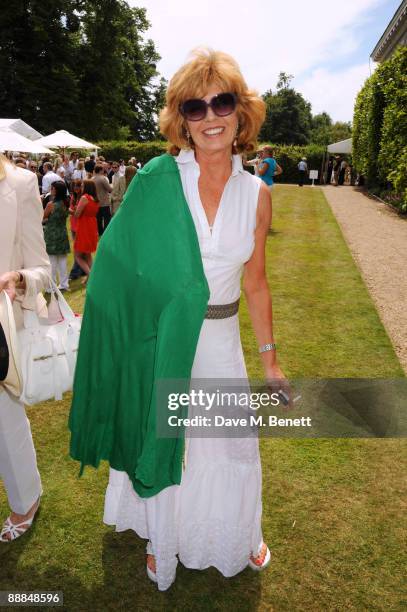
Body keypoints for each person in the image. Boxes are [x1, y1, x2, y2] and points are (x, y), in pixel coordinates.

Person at [69, 48, 288, 591]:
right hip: (164, 342)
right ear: (180, 120)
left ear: (241, 114)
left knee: (227, 445)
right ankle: (162, 541)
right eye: (195, 106)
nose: (210, 116)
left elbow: (255, 282)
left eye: (222, 102)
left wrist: (272, 360)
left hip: (221, 344)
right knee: (166, 437)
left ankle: (233, 534)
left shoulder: (256, 194)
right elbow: (119, 268)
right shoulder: (156, 179)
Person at [0, 154, 51, 541]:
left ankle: (25, 500)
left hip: (2, 326)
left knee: (5, 419)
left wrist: (18, 277)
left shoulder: (18, 184)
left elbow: (42, 270)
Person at [43, 180, 70, 291]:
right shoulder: (65, 202)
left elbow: (44, 218)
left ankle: (51, 286)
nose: (51, 190)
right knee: (62, 260)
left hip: (52, 234)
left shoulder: (51, 205)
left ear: (57, 190)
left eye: (53, 188)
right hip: (62, 233)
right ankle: (64, 284)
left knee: (52, 261)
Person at [73, 179, 99, 283]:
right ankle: (91, 276)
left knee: (78, 255)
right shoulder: (95, 199)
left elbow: (77, 214)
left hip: (84, 226)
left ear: (87, 187)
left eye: (83, 186)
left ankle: (91, 276)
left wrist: (73, 210)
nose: (81, 188)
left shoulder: (84, 198)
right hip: (92, 226)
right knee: (87, 254)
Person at [68, 180, 86, 280]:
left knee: (78, 250)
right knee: (79, 249)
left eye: (78, 186)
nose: (76, 188)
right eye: (74, 186)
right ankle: (82, 270)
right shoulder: (73, 197)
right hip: (74, 225)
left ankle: (75, 271)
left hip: (80, 226)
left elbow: (77, 212)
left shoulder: (83, 198)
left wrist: (70, 210)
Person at [93, 164, 112, 235]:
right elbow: (109, 189)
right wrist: (112, 186)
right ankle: (106, 233)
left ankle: (100, 232)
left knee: (98, 219)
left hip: (96, 202)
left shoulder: (92, 179)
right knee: (107, 218)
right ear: (101, 170)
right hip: (104, 202)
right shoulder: (103, 178)